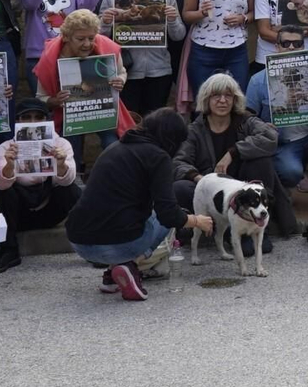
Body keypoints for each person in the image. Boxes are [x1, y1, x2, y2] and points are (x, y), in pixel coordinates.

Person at [66, 108, 213, 301]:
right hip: (118, 245)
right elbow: (168, 214)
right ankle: (129, 266)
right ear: (172, 139)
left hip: (79, 242)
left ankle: (111, 277)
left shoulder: (115, 147)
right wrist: (196, 220)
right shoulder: (158, 157)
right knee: (165, 218)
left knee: (129, 213)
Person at [172, 72, 299, 243]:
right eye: (216, 95)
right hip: (213, 194)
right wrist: (202, 180)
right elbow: (179, 162)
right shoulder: (195, 129)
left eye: (228, 95)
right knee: (180, 187)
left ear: (235, 99)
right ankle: (212, 229)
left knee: (261, 160)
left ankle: (258, 226)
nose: (223, 100)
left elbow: (270, 137)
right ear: (206, 99)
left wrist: (233, 152)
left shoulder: (245, 120)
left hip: (244, 193)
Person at [0, 98, 78, 274]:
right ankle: (9, 250)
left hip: (49, 208)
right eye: (27, 118)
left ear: (47, 121)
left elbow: (67, 181)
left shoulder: (61, 145)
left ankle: (86, 243)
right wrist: (9, 165)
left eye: (38, 117)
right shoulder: (5, 148)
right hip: (19, 213)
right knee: (3, 192)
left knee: (73, 191)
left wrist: (61, 163)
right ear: (18, 122)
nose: (33, 122)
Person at [33, 9, 132, 164]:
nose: (87, 44)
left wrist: (120, 80)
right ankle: (74, 175)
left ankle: (115, 174)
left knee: (113, 143)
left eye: (91, 38)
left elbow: (121, 72)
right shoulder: (50, 58)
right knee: (69, 146)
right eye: (80, 39)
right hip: (70, 115)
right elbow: (40, 98)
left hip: (103, 109)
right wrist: (55, 100)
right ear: (66, 37)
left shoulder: (107, 47)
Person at [243, 25, 308, 192]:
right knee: (290, 172)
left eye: (297, 44)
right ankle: (291, 182)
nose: (291, 47)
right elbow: (247, 117)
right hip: (283, 142)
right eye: (285, 44)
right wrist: (263, 126)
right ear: (276, 47)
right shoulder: (258, 80)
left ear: (304, 47)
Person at [99, 0, 187, 118]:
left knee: (155, 122)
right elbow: (99, 37)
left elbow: (179, 36)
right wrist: (106, 22)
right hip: (126, 72)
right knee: (131, 121)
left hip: (160, 71)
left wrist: (173, 19)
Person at [19, 0, 105, 94]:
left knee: (72, 103)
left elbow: (87, 8)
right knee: (45, 105)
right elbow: (30, 2)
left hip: (68, 54)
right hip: (38, 56)